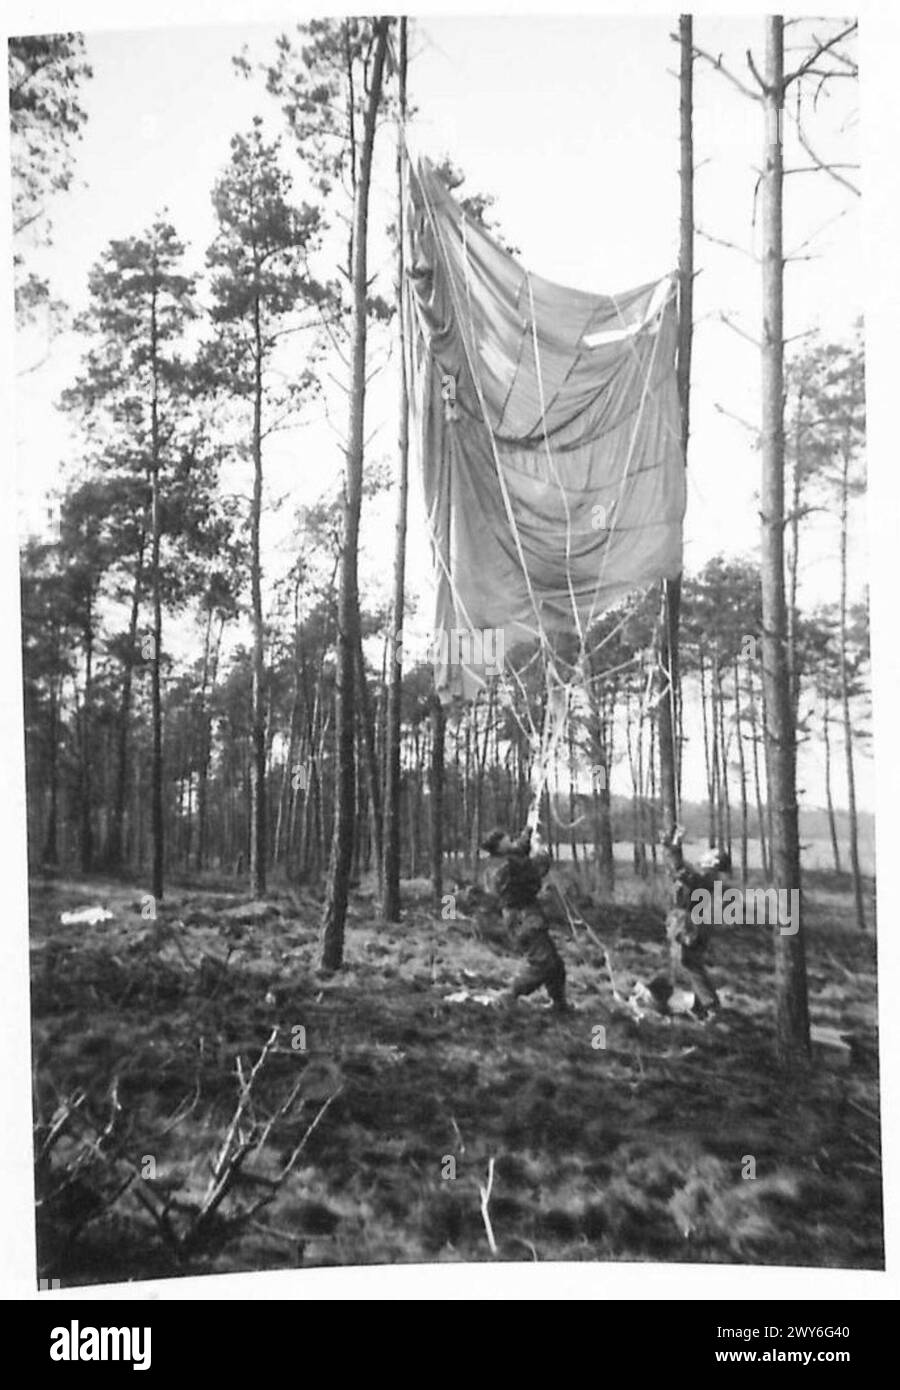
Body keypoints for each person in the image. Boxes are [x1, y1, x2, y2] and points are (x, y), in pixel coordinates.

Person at [480, 825, 568, 1012]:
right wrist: (541, 852)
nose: (509, 839)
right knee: (544, 962)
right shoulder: (509, 865)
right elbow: (535, 868)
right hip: (524, 919)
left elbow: (519, 850)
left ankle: (559, 1004)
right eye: (505, 838)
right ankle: (510, 994)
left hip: (523, 917)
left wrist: (528, 833)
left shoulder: (500, 861)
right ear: (498, 846)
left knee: (556, 964)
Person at [660, 827, 731, 1019]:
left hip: (693, 925)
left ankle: (710, 1005)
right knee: (691, 962)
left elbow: (681, 870)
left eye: (710, 855)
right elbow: (683, 869)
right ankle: (700, 1005)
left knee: (689, 962)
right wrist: (672, 846)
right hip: (700, 925)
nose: (704, 855)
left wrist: (673, 846)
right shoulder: (709, 878)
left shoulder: (705, 877)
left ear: (713, 862)